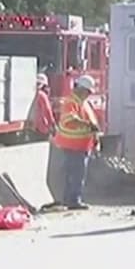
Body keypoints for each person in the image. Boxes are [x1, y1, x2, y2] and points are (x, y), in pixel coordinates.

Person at [51, 75, 101, 210]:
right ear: (81, 89)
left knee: (75, 174)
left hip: (81, 146)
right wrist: (88, 125)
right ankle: (73, 200)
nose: (89, 94)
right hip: (72, 146)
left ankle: (69, 199)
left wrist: (95, 138)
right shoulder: (71, 102)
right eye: (88, 91)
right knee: (76, 174)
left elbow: (92, 123)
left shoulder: (83, 103)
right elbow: (70, 120)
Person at [26, 73, 56, 140]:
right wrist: (53, 124)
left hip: (31, 127)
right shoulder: (42, 95)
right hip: (41, 128)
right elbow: (47, 111)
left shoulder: (32, 94)